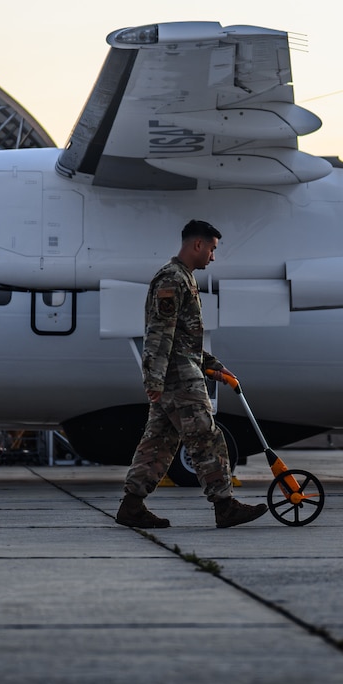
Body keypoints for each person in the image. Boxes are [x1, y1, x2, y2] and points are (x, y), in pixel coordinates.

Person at [116, 220, 267, 530]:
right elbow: (160, 333)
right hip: (179, 379)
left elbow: (186, 337)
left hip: (179, 373)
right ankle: (225, 506)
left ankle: (131, 506)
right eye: (211, 249)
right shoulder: (172, 280)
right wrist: (154, 379)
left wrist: (213, 364)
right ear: (197, 245)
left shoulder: (183, 278)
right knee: (206, 437)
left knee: (159, 441)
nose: (212, 257)